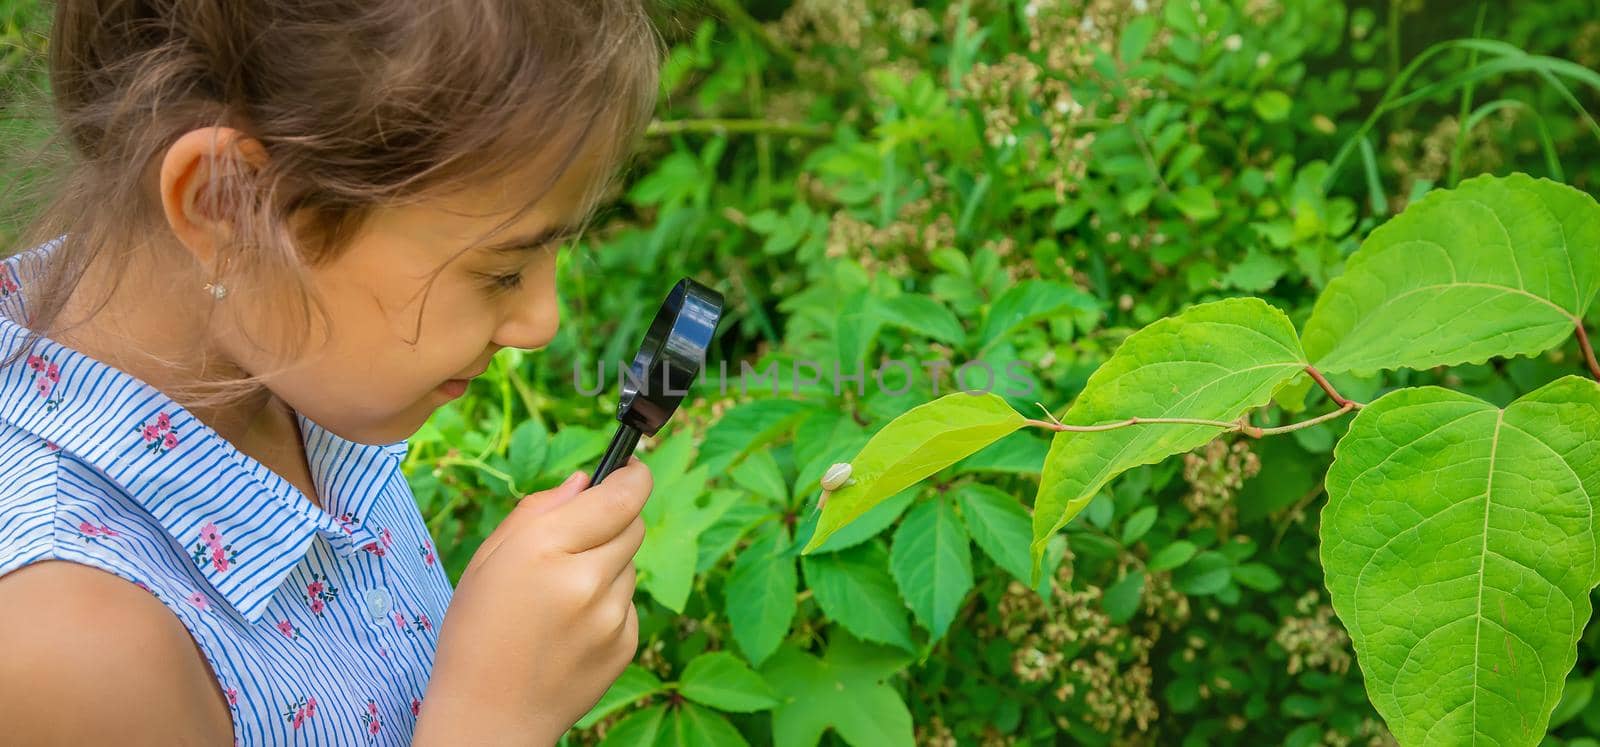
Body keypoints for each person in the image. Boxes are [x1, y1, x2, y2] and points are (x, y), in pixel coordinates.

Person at [0, 0, 662, 744]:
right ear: (232, 203)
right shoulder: (70, 653)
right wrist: (493, 719)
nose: (543, 321)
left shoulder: (286, 359)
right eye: (502, 270)